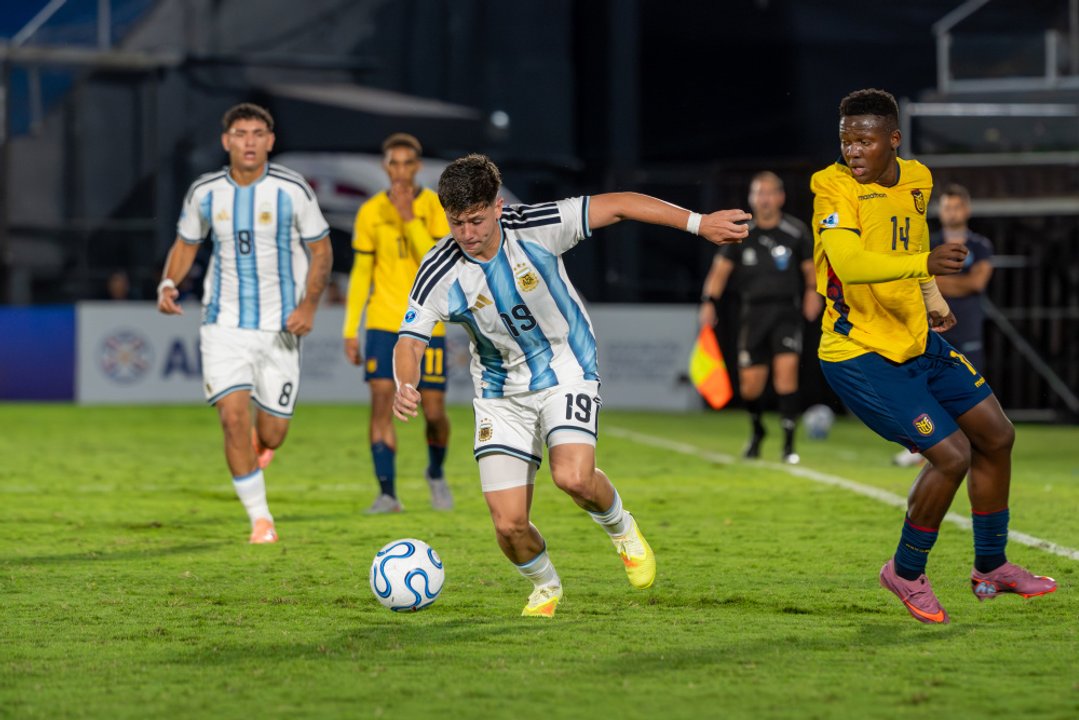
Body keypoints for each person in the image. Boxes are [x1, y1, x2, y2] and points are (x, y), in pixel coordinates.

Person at [392, 154, 751, 617]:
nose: (467, 233)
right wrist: (406, 382)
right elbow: (410, 341)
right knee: (508, 525)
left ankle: (622, 528)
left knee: (574, 478)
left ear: (498, 207)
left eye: (476, 220)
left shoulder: (537, 226)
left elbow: (620, 204)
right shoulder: (439, 270)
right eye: (457, 223)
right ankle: (545, 586)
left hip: (566, 367)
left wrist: (698, 223)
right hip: (500, 395)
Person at [811, 88, 1055, 625]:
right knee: (952, 455)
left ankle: (991, 566)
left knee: (997, 435)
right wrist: (927, 262)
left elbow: (906, 252)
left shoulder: (918, 180)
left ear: (893, 141)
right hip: (859, 353)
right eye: (846, 140)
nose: (853, 151)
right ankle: (905, 570)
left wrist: (933, 300)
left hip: (918, 340)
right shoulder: (830, 187)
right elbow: (849, 265)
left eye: (864, 141)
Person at [157, 102, 332, 544]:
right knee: (233, 419)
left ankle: (262, 447)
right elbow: (185, 243)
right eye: (240, 133)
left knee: (273, 433)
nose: (249, 141)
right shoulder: (205, 191)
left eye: (258, 133)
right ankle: (261, 520)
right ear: (226, 141)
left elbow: (322, 250)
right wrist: (167, 283)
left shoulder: (292, 190)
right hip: (224, 325)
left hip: (281, 328)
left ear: (270, 141)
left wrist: (309, 306)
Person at [342, 133, 454, 513]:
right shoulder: (370, 211)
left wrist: (410, 220)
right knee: (381, 402)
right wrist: (349, 328)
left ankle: (435, 474)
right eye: (394, 163)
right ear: (384, 166)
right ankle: (387, 493)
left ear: (418, 166)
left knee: (434, 412)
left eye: (408, 163)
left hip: (428, 323)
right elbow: (360, 273)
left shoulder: (434, 207)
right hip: (381, 322)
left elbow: (437, 259)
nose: (401, 171)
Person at [698, 171, 821, 464]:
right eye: (758, 193)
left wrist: (813, 293)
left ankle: (789, 445)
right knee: (750, 385)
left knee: (786, 376)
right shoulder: (741, 233)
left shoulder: (796, 231)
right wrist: (709, 302)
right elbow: (719, 272)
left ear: (781, 197)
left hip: (786, 312)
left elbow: (810, 269)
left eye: (769, 193)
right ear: (752, 198)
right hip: (752, 313)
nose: (764, 199)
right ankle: (757, 432)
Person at [894, 183, 995, 468]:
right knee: (925, 387)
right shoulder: (930, 242)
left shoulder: (979, 245)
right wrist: (937, 281)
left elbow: (977, 283)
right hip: (931, 325)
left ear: (967, 209)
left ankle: (968, 444)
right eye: (947, 206)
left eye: (957, 206)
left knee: (968, 388)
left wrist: (934, 279)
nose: (952, 212)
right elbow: (914, 279)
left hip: (968, 326)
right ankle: (926, 446)